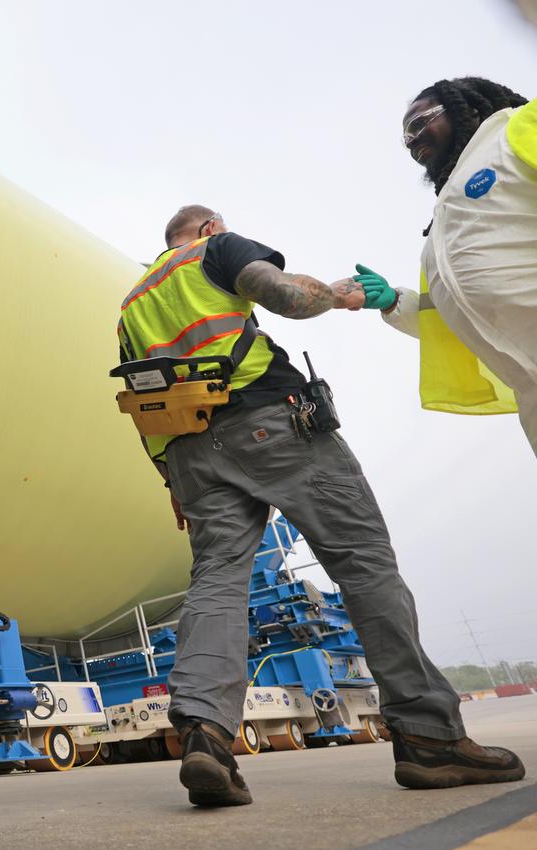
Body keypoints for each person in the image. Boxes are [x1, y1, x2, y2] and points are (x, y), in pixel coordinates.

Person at [115, 205, 525, 808]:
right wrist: (337, 294)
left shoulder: (133, 301)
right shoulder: (215, 251)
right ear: (208, 228)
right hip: (274, 427)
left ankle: (206, 733)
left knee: (218, 584)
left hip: (188, 453)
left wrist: (171, 480)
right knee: (365, 566)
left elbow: (138, 394)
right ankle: (429, 738)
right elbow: (285, 296)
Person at [357, 78, 537, 453]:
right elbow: (455, 318)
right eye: (406, 137)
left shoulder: (516, 129)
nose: (411, 141)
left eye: (419, 123)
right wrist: (394, 303)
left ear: (466, 109)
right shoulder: (441, 224)